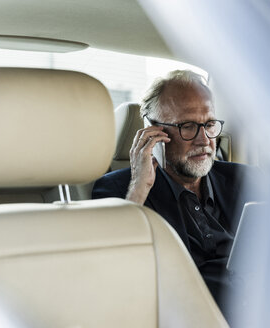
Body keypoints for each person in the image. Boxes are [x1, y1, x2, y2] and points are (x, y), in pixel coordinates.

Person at [92, 70, 260, 310]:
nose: (204, 140)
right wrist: (140, 188)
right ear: (152, 131)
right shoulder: (118, 190)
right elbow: (115, 271)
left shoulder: (246, 179)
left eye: (210, 124)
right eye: (188, 126)